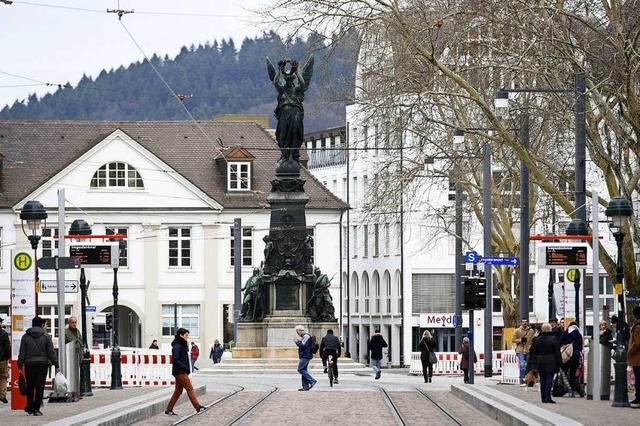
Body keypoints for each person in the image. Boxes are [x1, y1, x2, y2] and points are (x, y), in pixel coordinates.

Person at [266, 56, 314, 165]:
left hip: (295, 114)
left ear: (292, 81)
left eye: (290, 80)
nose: (289, 82)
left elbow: (302, 83)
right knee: (283, 134)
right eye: (287, 80)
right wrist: (278, 69)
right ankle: (284, 154)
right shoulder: (282, 90)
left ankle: (292, 154)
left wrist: (297, 72)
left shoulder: (296, 90)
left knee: (294, 132)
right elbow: (276, 80)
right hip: (284, 114)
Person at [18, 316, 60, 416]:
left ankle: (30, 407)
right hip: (42, 364)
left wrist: (20, 365)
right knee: (40, 386)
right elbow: (51, 352)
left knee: (30, 387)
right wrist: (56, 365)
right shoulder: (46, 336)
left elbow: (22, 352)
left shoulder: (25, 336)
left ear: (32, 324)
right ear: (41, 324)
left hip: (29, 364)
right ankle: (37, 409)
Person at [165, 328, 206, 415]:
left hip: (180, 371)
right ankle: (197, 406)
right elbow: (175, 359)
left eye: (188, 335)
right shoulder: (177, 346)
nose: (187, 337)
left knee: (178, 391)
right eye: (186, 335)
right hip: (180, 371)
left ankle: (169, 409)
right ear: (181, 335)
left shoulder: (181, 344)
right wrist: (185, 368)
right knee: (189, 388)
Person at [529, 323, 562, 403]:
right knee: (549, 379)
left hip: (540, 361)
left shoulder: (538, 339)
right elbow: (557, 352)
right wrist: (559, 362)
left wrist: (534, 361)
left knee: (543, 379)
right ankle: (548, 397)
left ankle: (543, 397)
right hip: (551, 361)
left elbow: (533, 351)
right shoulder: (553, 339)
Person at [560, 321, 584, 397]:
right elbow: (581, 346)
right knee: (573, 373)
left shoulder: (566, 332)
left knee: (564, 371)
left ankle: (564, 387)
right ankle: (572, 388)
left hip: (566, 355)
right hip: (575, 355)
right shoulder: (578, 334)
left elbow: (560, 342)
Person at [512, 319, 535, 386]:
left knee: (528, 366)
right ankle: (521, 379)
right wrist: (520, 340)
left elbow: (533, 340)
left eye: (526, 322)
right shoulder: (517, 330)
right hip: (520, 350)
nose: (524, 323)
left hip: (528, 350)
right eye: (523, 322)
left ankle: (528, 379)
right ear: (521, 322)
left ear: (527, 322)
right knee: (522, 365)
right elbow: (513, 340)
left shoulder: (531, 331)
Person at [293, 325, 316, 391]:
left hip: (305, 355)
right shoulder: (304, 336)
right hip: (305, 355)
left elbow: (303, 345)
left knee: (300, 369)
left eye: (297, 331)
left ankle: (312, 380)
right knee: (304, 370)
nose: (297, 333)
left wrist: (297, 342)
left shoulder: (306, 336)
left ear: (300, 330)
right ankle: (305, 386)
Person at [627, 306, 640, 408]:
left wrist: (630, 351)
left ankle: (639, 398)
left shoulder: (638, 326)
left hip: (637, 357)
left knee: (639, 378)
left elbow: (637, 342)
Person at [0, 317, 10, 404]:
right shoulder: (3, 333)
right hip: (2, 360)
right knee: (3, 377)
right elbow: (7, 347)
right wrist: (7, 357)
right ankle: (2, 395)